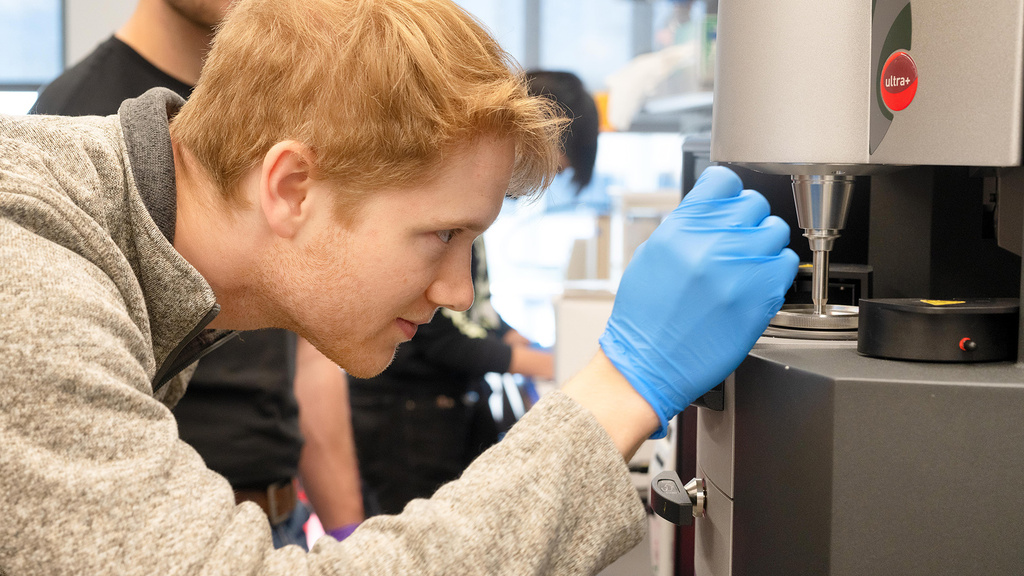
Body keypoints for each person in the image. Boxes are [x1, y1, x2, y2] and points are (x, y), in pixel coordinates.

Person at [0, 1, 798, 574]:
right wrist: (621, 386)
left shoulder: (120, 238)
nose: (457, 292)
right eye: (442, 235)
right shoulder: (30, 280)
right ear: (291, 188)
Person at [29, 0, 364, 547]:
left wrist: (347, 530)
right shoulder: (73, 119)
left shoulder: (287, 102)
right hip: (165, 530)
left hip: (281, 514)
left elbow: (310, 353)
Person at [348, 69, 598, 515]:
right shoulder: (439, 198)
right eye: (554, 167)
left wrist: (510, 336)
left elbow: (473, 306)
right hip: (407, 414)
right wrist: (541, 362)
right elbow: (440, 338)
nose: (546, 182)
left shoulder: (468, 209)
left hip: (442, 406)